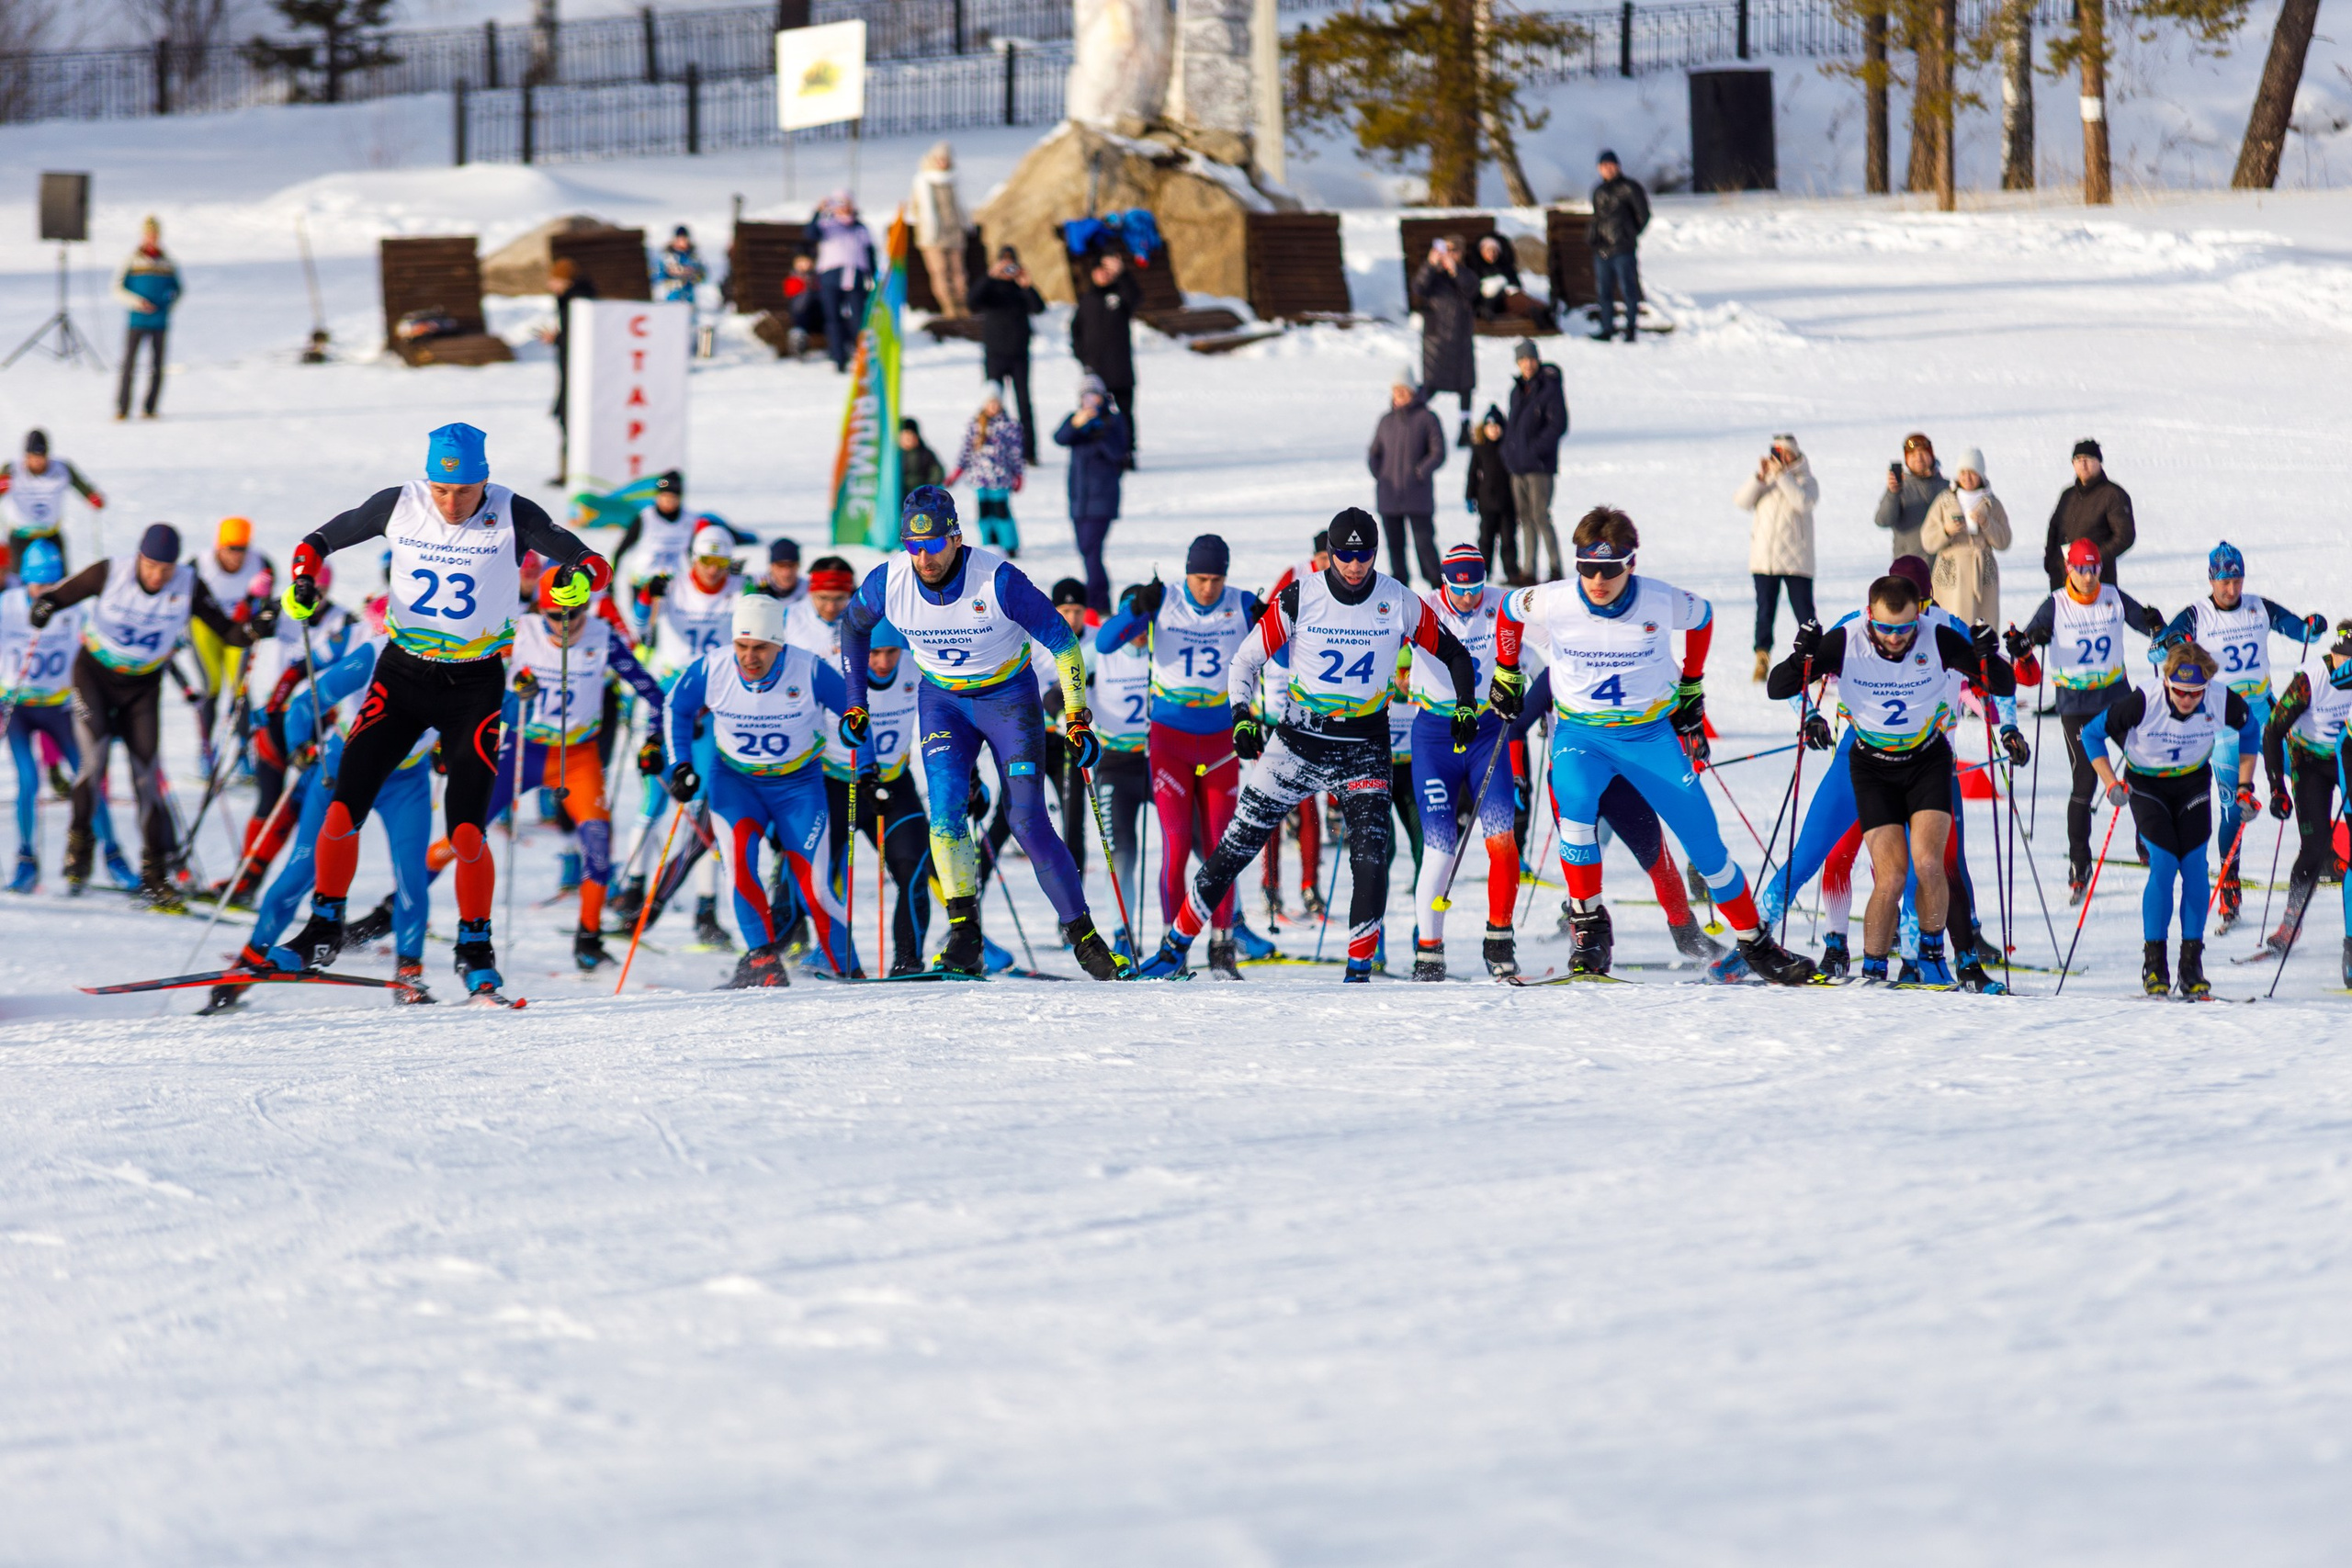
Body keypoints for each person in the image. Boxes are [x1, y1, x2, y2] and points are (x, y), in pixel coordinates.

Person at [265, 423, 604, 1001]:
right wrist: (300, 581)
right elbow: (316, 542)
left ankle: (475, 948)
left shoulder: (511, 510)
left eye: (465, 492)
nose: (452, 504)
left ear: (484, 481)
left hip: (474, 684)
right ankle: (324, 926)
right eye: (442, 491)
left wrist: (575, 582)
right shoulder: (400, 504)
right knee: (343, 809)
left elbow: (590, 561)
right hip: (402, 674)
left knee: (468, 830)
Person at [1136, 508, 1481, 983]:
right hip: (1298, 737)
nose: (1355, 566)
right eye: (1345, 556)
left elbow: (1455, 654)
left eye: (1364, 557)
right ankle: (1174, 946)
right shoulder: (1302, 596)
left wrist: (1465, 705)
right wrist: (1241, 717)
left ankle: (1359, 969)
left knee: (1370, 854)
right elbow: (1244, 661)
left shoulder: (1397, 599)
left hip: (1363, 741)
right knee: (1237, 844)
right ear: (1330, 555)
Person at [1491, 506, 1814, 984]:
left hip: (1649, 737)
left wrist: (1692, 684)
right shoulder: (1555, 599)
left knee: (1706, 848)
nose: (1597, 580)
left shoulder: (1660, 601)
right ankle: (1590, 929)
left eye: (1610, 569)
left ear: (1631, 564)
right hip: (1582, 736)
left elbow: (1703, 617)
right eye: (1587, 568)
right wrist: (1506, 670)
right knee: (1576, 819)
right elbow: (1509, 610)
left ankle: (1755, 943)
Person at [837, 485, 1124, 978]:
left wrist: (1076, 714)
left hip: (1008, 698)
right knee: (945, 813)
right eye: (912, 545)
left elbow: (1063, 642)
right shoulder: (890, 581)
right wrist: (855, 704)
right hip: (942, 702)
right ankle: (964, 934)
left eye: (931, 545)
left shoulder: (999, 581)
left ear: (956, 537)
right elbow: (853, 627)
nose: (922, 557)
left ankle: (1084, 937)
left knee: (1027, 822)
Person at [1759, 552, 2025, 989]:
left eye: (1913, 613)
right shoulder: (1851, 631)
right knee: (1835, 857)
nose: (1899, 635)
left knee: (1936, 864)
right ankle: (1767, 941)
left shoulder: (1944, 630)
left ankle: (1936, 959)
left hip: (1931, 756)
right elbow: (1786, 684)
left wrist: (2004, 707)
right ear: (1875, 606)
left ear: (1925, 601)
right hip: (1862, 755)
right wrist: (1806, 701)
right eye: (1887, 625)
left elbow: (1997, 685)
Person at [28, 523, 275, 906]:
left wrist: (257, 629)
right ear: (140, 558)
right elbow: (59, 597)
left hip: (143, 686)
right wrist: (43, 608)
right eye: (151, 566)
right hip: (94, 675)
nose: (158, 575)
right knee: (94, 764)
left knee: (147, 779)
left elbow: (228, 632)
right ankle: (79, 851)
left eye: (166, 568)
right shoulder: (111, 572)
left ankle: (155, 873)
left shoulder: (188, 584)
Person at [213, 636, 438, 1010]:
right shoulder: (376, 652)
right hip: (343, 767)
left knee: (411, 875)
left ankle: (409, 973)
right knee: (300, 872)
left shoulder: (462, 658)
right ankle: (249, 962)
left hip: (405, 780)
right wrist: (301, 745)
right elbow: (304, 704)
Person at [461, 566, 663, 969]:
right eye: (556, 615)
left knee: (598, 844)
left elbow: (651, 692)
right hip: (524, 750)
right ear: (541, 609)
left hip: (578, 757)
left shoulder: (603, 636)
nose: (567, 624)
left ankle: (588, 939)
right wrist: (511, 691)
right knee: (464, 831)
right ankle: (393, 909)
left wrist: (654, 739)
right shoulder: (519, 630)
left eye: (576, 613)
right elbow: (470, 679)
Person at [663, 592, 856, 987]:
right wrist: (680, 765)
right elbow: (675, 708)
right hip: (735, 783)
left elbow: (855, 708)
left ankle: (846, 967)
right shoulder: (713, 667)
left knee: (815, 886)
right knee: (740, 869)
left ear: (779, 645)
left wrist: (865, 762)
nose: (750, 657)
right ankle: (762, 963)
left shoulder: (809, 669)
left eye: (761, 648)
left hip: (798, 785)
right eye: (742, 646)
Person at [1094, 536, 1262, 976]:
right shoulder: (1164, 599)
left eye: (1216, 578)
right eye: (1200, 578)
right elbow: (1107, 643)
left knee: (1222, 849)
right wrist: (1137, 608)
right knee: (1175, 847)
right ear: (1187, 573)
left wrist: (1267, 622)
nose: (1208, 588)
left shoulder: (1241, 603)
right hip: (1170, 742)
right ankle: (1174, 949)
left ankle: (1222, 949)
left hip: (1220, 741)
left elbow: (1282, 655)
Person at [2152, 541, 2324, 928]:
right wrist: (2166, 643)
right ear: (2212, 580)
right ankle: (2230, 886)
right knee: (2233, 809)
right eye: (2224, 582)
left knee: (2311, 763)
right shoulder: (2197, 615)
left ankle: (2314, 840)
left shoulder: (2258, 607)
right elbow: (2170, 640)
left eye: (2237, 580)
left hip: (2264, 708)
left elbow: (2298, 629)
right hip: (2225, 719)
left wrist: (2311, 627)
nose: (2231, 589)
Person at [2080, 642, 2259, 997]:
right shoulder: (2143, 700)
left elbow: (2251, 731)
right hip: (2147, 784)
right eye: (2179, 691)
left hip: (2192, 780)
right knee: (2163, 864)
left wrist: (2244, 786)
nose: (2188, 699)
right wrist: (2110, 782)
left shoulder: (2221, 698)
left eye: (2195, 693)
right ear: (2166, 682)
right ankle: (2155, 964)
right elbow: (2091, 734)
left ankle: (2191, 965)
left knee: (2194, 867)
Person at [611, 522, 748, 947]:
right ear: (693, 558)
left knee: (704, 806)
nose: (712, 570)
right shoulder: (672, 585)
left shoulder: (739, 589)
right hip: (665, 703)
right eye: (706, 561)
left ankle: (705, 910)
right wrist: (646, 597)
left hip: (712, 707)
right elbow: (640, 629)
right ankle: (631, 887)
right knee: (654, 797)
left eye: (721, 562)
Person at [2007, 537, 2165, 900]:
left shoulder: (2113, 596)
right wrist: (2024, 642)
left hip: (2117, 698)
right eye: (2081, 569)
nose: (2088, 577)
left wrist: (2156, 623)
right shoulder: (2056, 604)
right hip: (2076, 705)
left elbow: (2151, 626)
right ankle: (2080, 863)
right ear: (2069, 570)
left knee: (2144, 765)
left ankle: (2147, 841)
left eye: (2093, 568)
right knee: (2084, 782)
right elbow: (2024, 646)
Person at [1408, 544, 1520, 979]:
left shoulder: (1502, 604)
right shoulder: (1423, 609)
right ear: (1444, 583)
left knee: (1502, 841)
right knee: (1439, 850)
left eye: (1476, 588)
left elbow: (1544, 644)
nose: (1470, 597)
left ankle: (1499, 940)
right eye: (1460, 589)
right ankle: (1429, 952)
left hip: (1486, 734)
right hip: (1435, 736)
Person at [3, 538, 130, 893]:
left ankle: (115, 856)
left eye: (52, 584)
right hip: (19, 708)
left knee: (88, 778)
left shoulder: (74, 609)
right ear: (25, 580)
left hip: (59, 709)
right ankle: (26, 860)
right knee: (28, 780)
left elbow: (98, 650)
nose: (45, 591)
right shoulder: (7, 607)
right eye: (39, 583)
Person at [2252, 627, 2352, 970]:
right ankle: (2290, 924)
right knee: (2313, 846)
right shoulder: (2311, 680)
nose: (2347, 667)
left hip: (2347, 761)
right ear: (2333, 654)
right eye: (2344, 657)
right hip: (2309, 763)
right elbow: (2274, 730)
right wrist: (2276, 785)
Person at [846, 621, 933, 975]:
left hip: (894, 783)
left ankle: (907, 962)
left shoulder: (916, 666)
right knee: (822, 877)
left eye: (891, 652)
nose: (883, 662)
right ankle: (818, 952)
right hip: (843, 784)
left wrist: (969, 774)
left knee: (914, 869)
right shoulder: (843, 671)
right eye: (874, 653)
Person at [1090, 585, 1153, 955]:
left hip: (1159, 759)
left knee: (1201, 838)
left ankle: (1230, 925)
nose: (1141, 633)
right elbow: (1058, 689)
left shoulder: (1164, 650)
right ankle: (1122, 935)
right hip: (1115, 763)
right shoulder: (1102, 651)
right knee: (1122, 854)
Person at [187, 516, 272, 774]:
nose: (237, 555)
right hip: (205, 630)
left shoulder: (261, 564)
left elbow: (265, 608)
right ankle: (205, 751)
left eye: (242, 548)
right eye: (231, 548)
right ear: (219, 547)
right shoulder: (198, 566)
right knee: (211, 685)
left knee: (240, 689)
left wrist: (259, 608)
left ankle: (244, 752)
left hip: (239, 632)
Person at [1736, 432, 1818, 682]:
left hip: (1797, 562)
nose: (1778, 458)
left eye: (1782, 453)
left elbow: (1803, 502)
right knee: (1765, 611)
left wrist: (1782, 475)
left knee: (1804, 612)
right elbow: (1741, 502)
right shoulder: (1767, 480)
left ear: (1793, 455)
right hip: (1765, 561)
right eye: (1775, 452)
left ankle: (1814, 657)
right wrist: (1758, 478)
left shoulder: (1806, 480)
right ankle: (1762, 657)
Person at [1053, 376, 1130, 614]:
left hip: (1103, 499)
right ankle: (1099, 601)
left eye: (1094, 395)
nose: (1090, 401)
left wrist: (1101, 432)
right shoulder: (1076, 420)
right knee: (1086, 550)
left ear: (1103, 396)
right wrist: (1078, 424)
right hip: (1079, 500)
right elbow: (1060, 438)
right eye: (1085, 396)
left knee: (1091, 549)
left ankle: (1097, 603)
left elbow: (1120, 453)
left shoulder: (1114, 421)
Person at [1918, 445, 2009, 628]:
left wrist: (1987, 524)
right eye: (1963, 472)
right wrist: (1947, 531)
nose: (1967, 478)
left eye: (1973, 473)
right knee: (1950, 622)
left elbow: (2004, 541)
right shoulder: (1945, 500)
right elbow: (1927, 540)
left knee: (1984, 625)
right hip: (1952, 571)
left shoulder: (1991, 503)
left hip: (1982, 571)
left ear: (1981, 475)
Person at [1366, 379, 1446, 587]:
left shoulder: (1427, 418)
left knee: (1424, 544)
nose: (1399, 394)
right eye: (1396, 390)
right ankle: (1400, 589)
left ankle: (1437, 587)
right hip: (1389, 496)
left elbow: (1438, 452)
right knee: (1395, 547)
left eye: (1403, 389)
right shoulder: (1386, 420)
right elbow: (1374, 452)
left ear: (1412, 391)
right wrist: (1381, 474)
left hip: (1417, 495)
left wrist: (1420, 471)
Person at [1501, 341, 1568, 581]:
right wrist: (1508, 453)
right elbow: (1513, 426)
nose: (1527, 364)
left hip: (1539, 467)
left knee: (1541, 515)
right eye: (1522, 360)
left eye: (1530, 359)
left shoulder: (1549, 386)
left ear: (1537, 360)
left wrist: (1535, 450)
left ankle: (1555, 568)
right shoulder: (1517, 390)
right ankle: (1528, 570)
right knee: (1525, 518)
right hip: (1517, 467)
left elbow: (1558, 424)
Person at [970, 247, 1045, 464]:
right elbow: (972, 302)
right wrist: (989, 276)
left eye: (1011, 265)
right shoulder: (990, 288)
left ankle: (1029, 452)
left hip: (1019, 354)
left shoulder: (1020, 289)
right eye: (1004, 264)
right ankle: (990, 448)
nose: (1007, 269)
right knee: (991, 403)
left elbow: (1038, 308)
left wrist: (1027, 285)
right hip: (994, 354)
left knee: (1024, 404)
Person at [1, 430, 105, 568]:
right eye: (32, 456)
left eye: (41, 456)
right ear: (26, 456)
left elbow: (83, 486)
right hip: (20, 537)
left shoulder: (62, 468)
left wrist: (92, 497)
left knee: (60, 582)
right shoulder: (12, 469)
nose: (37, 461)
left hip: (50, 534)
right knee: (16, 582)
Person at [113, 216, 182, 421]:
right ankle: (123, 408)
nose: (152, 238)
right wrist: (136, 302)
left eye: (155, 234)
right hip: (137, 321)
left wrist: (167, 305)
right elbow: (117, 288)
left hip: (159, 322)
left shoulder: (167, 262)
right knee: (129, 365)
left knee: (157, 366)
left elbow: (178, 290)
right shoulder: (132, 260)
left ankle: (150, 408)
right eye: (149, 234)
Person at [1409, 237, 1477, 446]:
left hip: (1461, 339)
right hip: (1436, 340)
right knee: (1431, 385)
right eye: (1444, 249)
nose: (1448, 254)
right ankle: (1412, 422)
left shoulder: (1466, 274)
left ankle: (1465, 429)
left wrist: (1455, 270)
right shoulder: (1433, 277)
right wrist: (1430, 264)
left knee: (1465, 386)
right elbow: (1418, 287)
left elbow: (1472, 289)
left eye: (1453, 250)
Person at [1072, 250, 1138, 460]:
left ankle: (1127, 451)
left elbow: (1136, 300)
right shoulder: (1087, 299)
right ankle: (1098, 451)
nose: (1103, 275)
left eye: (1107, 271)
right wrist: (1083, 357)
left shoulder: (1121, 293)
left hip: (1120, 368)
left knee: (1124, 413)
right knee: (1095, 412)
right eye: (1099, 271)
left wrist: (1122, 274)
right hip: (1096, 370)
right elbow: (1076, 330)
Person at [2043, 437, 2134, 590]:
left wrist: (2091, 559)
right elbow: (2054, 528)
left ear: (2099, 462)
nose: (2083, 464)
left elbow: (2125, 536)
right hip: (2062, 579)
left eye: (2088, 458)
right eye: (2078, 459)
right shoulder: (2068, 495)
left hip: (2096, 581)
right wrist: (2051, 562)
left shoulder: (2112, 494)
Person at [609, 469, 694, 634]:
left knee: (668, 628)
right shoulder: (645, 518)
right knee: (641, 626)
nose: (667, 502)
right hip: (642, 581)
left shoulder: (689, 520)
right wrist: (610, 582)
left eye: (672, 498)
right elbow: (620, 551)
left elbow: (693, 554)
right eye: (663, 497)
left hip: (672, 582)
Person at [948, 392, 1025, 556]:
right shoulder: (976, 424)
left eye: (996, 403)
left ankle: (1009, 544)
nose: (993, 407)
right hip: (979, 478)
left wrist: (1018, 474)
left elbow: (1015, 452)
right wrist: (958, 471)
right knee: (984, 511)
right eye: (990, 403)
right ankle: (989, 544)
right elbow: (966, 450)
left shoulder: (1009, 425)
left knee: (1001, 510)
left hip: (999, 478)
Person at [1588, 152, 1649, 343]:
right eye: (1604, 165)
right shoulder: (1598, 190)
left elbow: (1644, 215)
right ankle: (1607, 328)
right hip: (1602, 249)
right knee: (1603, 291)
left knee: (1628, 289)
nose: (1607, 169)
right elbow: (1598, 217)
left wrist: (1629, 234)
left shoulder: (1630, 187)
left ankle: (1630, 329)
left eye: (1611, 165)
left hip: (1623, 248)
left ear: (1618, 166)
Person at [810, 191, 875, 373]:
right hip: (831, 275)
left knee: (859, 318)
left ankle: (862, 356)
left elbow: (870, 253)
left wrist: (873, 277)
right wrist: (818, 211)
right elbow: (810, 233)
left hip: (856, 275)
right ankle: (839, 358)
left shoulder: (861, 228)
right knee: (833, 318)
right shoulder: (827, 225)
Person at [910, 141, 969, 317]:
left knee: (958, 272)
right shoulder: (923, 181)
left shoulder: (954, 180)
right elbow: (915, 209)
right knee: (940, 272)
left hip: (954, 232)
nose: (943, 163)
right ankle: (948, 307)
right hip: (932, 235)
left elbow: (961, 205)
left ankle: (962, 304)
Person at [1464, 406, 1520, 584]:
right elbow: (1472, 473)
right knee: (1486, 539)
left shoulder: (1509, 448)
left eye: (1497, 427)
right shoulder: (1479, 448)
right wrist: (1470, 495)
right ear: (1484, 429)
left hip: (1507, 503)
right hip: (1486, 502)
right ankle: (1484, 571)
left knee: (1508, 539)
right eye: (1490, 427)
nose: (1494, 430)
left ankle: (1511, 572)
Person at [1874, 432, 1945, 560]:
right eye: (1912, 454)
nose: (1918, 458)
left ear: (1931, 455)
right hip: (1909, 568)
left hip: (1944, 567)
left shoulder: (1948, 488)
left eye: (1923, 452)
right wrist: (1893, 494)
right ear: (1906, 459)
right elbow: (1882, 521)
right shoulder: (1899, 489)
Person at [780, 254, 824, 359]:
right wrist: (805, 284)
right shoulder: (793, 279)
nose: (804, 265)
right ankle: (798, 342)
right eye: (801, 262)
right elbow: (790, 292)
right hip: (801, 313)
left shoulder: (818, 278)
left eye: (807, 262)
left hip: (818, 312)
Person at [898, 418, 945, 492]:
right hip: (899, 494)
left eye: (911, 434)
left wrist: (929, 487)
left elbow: (937, 471)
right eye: (905, 435)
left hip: (920, 493)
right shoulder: (895, 456)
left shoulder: (925, 454)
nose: (909, 438)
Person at [755, 536, 805, 605]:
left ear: (799, 565)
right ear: (771, 566)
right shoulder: (756, 585)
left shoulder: (808, 591)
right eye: (780, 565)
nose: (786, 572)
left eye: (791, 565)